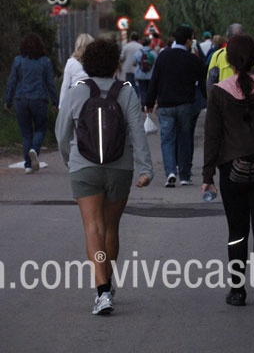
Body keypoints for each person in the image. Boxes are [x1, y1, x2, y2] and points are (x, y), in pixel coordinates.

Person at [55, 38, 153, 315]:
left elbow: (61, 134)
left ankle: (102, 292)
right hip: (119, 168)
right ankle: (107, 283)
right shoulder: (127, 92)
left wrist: (71, 161)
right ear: (115, 64)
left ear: (86, 63)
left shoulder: (76, 92)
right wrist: (146, 168)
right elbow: (138, 132)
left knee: (93, 228)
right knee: (111, 228)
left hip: (84, 167)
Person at [202, 34, 254, 315]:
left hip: (232, 170)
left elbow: (212, 137)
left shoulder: (218, 92)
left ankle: (238, 290)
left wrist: (207, 175)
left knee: (237, 232)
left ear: (228, 61)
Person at [145, 24, 207, 187]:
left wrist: (149, 102)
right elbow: (203, 75)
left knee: (167, 139)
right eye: (191, 39)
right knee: (185, 139)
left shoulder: (163, 56)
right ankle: (185, 175)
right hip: (185, 104)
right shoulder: (191, 58)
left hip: (165, 105)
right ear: (188, 41)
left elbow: (155, 79)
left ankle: (170, 172)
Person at [4, 33, 59, 174]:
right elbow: (50, 84)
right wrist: (55, 101)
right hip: (39, 99)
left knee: (26, 133)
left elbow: (12, 82)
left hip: (20, 99)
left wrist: (7, 101)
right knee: (40, 128)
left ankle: (28, 166)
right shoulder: (45, 62)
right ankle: (34, 149)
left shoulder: (18, 61)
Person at [206, 23, 254, 93]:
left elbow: (211, 82)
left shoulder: (217, 55)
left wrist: (213, 98)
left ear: (227, 38)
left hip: (225, 96)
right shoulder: (250, 54)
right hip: (248, 96)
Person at [59, 33, 94, 107]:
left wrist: (61, 106)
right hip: (91, 99)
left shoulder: (71, 62)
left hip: (75, 99)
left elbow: (65, 86)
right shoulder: (95, 63)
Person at [133, 37, 158, 108]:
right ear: (149, 43)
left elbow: (134, 63)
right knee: (150, 90)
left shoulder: (138, 52)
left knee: (142, 90)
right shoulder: (153, 53)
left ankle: (143, 104)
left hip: (140, 75)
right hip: (151, 75)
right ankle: (149, 104)